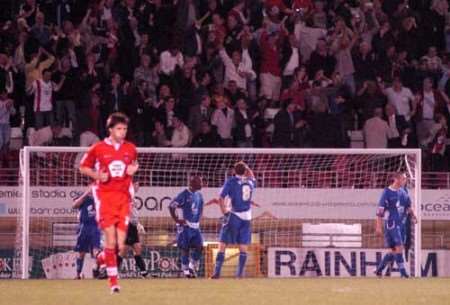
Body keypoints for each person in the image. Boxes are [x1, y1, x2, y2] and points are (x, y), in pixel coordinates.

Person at [79, 112, 138, 294]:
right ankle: (114, 283)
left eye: (125, 129)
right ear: (110, 130)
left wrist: (133, 170)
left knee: (121, 246)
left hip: (123, 200)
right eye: (119, 129)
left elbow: (134, 166)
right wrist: (97, 175)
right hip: (104, 198)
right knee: (111, 240)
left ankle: (99, 259)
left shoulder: (131, 148)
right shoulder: (97, 148)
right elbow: (82, 167)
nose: (122, 132)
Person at [211, 161, 256, 278]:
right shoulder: (250, 182)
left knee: (223, 243)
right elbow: (252, 176)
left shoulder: (231, 182)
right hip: (247, 217)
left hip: (234, 215)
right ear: (245, 171)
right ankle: (239, 274)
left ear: (234, 171)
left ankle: (216, 273)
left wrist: (224, 211)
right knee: (243, 246)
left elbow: (221, 197)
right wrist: (247, 167)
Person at [374, 172, 417, 278]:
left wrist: (414, 216)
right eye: (403, 179)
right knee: (399, 247)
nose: (405, 180)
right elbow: (380, 211)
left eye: (405, 179)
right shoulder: (387, 192)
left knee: (393, 250)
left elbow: (408, 206)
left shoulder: (404, 191)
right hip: (391, 224)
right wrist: (378, 227)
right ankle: (403, 273)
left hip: (402, 224)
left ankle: (379, 270)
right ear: (396, 179)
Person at [169, 176, 205, 278]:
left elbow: (201, 207)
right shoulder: (183, 194)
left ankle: (191, 266)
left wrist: (199, 219)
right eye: (200, 182)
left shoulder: (199, 195)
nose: (202, 184)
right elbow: (171, 206)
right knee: (185, 248)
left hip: (195, 227)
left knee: (200, 246)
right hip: (185, 226)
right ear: (193, 183)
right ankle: (186, 271)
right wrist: (177, 220)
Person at [117, 182, 148, 278]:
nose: (138, 187)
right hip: (128, 226)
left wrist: (138, 224)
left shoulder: (132, 198)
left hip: (132, 226)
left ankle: (144, 273)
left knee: (136, 249)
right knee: (125, 251)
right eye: (136, 185)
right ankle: (112, 272)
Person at [73, 186, 101, 280]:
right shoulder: (84, 198)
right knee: (81, 252)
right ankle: (78, 274)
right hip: (83, 227)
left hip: (95, 227)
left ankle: (96, 272)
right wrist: (85, 194)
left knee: (96, 251)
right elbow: (74, 205)